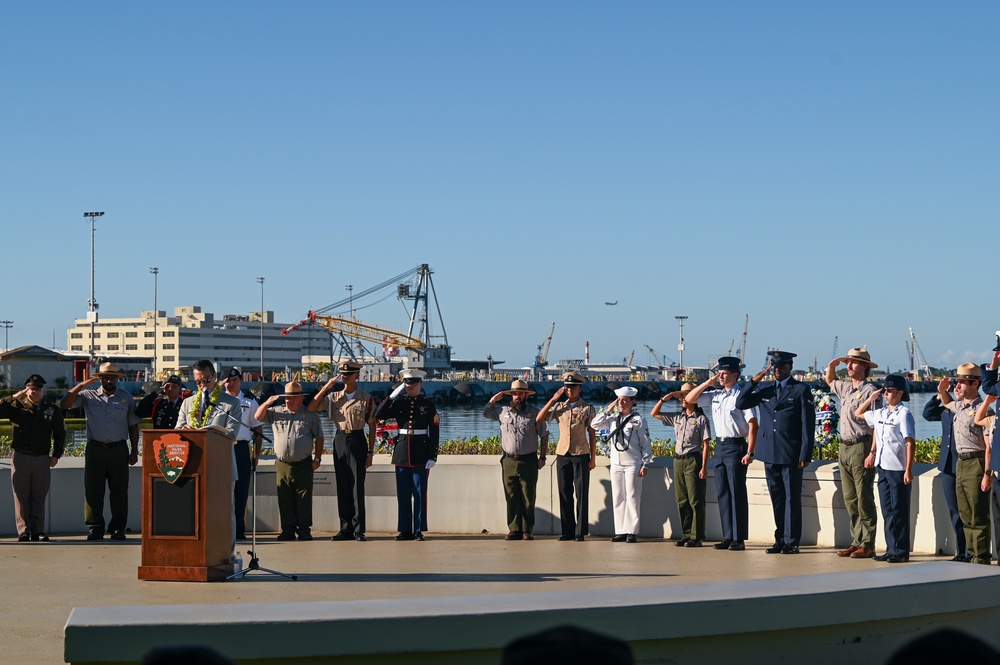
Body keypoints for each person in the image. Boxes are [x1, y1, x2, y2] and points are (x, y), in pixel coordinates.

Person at [735, 350, 815, 554]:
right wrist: (753, 381)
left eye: (780, 367)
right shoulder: (764, 388)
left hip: (791, 453)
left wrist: (805, 454)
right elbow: (740, 403)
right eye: (774, 367)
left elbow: (808, 425)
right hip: (769, 452)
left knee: (791, 498)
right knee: (777, 497)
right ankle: (779, 539)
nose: (777, 370)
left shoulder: (800, 390)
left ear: (789, 367)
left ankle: (792, 541)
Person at [684, 357, 758, 551]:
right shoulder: (715, 395)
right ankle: (728, 536)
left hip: (736, 446)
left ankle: (739, 538)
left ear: (735, 374)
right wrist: (708, 383)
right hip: (721, 446)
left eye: (724, 373)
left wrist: (750, 451)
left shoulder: (743, 395)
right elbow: (690, 399)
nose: (721, 376)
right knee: (723, 493)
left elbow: (753, 425)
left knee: (737, 493)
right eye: (719, 373)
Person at [61, 361, 141, 541]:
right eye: (105, 378)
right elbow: (65, 404)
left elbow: (133, 426)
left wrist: (134, 450)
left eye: (112, 377)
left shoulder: (126, 398)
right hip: (95, 449)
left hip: (118, 449)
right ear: (99, 379)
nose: (109, 381)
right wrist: (81, 385)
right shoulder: (87, 395)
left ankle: (118, 528)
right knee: (93, 489)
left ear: (117, 379)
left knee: (119, 491)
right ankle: (95, 527)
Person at [176, 360, 243, 545]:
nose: (202, 385)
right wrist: (185, 431)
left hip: (221, 466)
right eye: (198, 382)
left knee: (224, 511)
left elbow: (231, 434)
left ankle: (226, 554)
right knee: (194, 512)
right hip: (193, 467)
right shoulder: (188, 403)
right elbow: (177, 430)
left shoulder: (230, 403)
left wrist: (208, 431)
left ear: (215, 377)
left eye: (206, 380)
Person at [309, 360, 376, 542]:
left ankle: (359, 529)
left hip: (357, 439)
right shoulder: (333, 397)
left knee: (357, 487)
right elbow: (311, 407)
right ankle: (345, 528)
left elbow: (372, 425)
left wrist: (370, 452)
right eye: (343, 375)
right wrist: (326, 387)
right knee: (343, 485)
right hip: (339, 439)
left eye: (349, 374)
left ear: (357, 376)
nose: (345, 377)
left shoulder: (366, 398)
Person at [824, 347, 880, 559]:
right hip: (844, 446)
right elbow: (830, 381)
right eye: (848, 362)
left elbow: (876, 426)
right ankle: (856, 541)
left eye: (854, 362)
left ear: (865, 366)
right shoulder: (846, 388)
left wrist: (872, 452)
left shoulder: (870, 392)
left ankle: (868, 544)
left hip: (861, 446)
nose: (849, 366)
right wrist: (831, 367)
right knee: (850, 499)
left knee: (863, 497)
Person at [373, 368, 440, 541]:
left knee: (419, 493)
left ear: (420, 384)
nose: (410, 386)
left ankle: (418, 529)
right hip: (402, 452)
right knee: (403, 494)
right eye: (407, 383)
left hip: (420, 453)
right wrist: (392, 396)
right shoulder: (399, 403)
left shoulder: (428, 404)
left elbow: (434, 431)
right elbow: (378, 415)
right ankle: (404, 530)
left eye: (413, 383)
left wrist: (432, 456)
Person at [935, 364, 992, 565]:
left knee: (978, 514)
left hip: (976, 462)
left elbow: (988, 445)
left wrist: (987, 473)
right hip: (961, 463)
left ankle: (981, 558)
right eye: (957, 381)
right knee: (965, 514)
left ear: (975, 383)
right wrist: (942, 390)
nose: (957, 385)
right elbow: (947, 401)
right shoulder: (959, 406)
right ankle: (971, 554)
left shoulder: (983, 409)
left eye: (961, 382)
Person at [255, 381, 324, 541]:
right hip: (283, 464)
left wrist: (318, 458)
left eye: (293, 398)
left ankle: (304, 530)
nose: (289, 401)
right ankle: (287, 530)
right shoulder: (276, 412)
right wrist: (267, 402)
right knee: (284, 499)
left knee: (304, 500)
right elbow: (257, 416)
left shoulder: (310, 414)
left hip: (304, 463)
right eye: (286, 398)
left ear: (300, 398)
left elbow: (319, 438)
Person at [0, 374, 66, 542]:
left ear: (43, 391)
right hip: (21, 457)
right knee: (20, 496)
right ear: (26, 389)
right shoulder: (16, 407)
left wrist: (56, 455)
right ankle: (24, 531)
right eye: (31, 389)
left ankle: (38, 531)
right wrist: (15, 396)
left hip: (42, 458)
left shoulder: (52, 410)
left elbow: (60, 434)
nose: (34, 392)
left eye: (37, 389)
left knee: (39, 495)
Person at [857, 375, 915, 563]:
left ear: (900, 393)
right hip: (882, 468)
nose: (886, 393)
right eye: (884, 390)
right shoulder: (880, 413)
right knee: (887, 511)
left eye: (889, 390)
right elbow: (858, 413)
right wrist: (871, 398)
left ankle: (901, 551)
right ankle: (891, 549)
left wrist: (908, 470)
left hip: (897, 469)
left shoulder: (904, 414)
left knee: (899, 511)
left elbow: (910, 443)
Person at [482, 379, 549, 541]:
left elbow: (544, 435)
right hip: (509, 460)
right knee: (511, 495)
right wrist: (493, 400)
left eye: (520, 393)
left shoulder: (534, 413)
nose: (516, 397)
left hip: (529, 460)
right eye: (514, 394)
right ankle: (514, 529)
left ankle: (527, 530)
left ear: (526, 395)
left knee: (528, 495)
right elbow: (485, 414)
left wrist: (542, 457)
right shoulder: (502, 411)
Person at [536, 371, 597, 541]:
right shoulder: (559, 407)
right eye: (567, 387)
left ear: (580, 388)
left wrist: (593, 458)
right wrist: (553, 399)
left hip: (581, 453)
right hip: (563, 453)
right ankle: (567, 531)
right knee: (564, 493)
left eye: (573, 387)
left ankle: (580, 531)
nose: (569, 390)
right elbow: (539, 418)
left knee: (581, 494)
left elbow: (592, 435)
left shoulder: (588, 408)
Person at [651, 382, 711, 547]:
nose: (683, 399)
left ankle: (696, 536)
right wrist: (664, 399)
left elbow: (706, 445)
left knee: (695, 500)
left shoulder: (701, 419)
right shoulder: (677, 417)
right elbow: (654, 413)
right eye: (681, 396)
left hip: (693, 460)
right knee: (681, 500)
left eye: (686, 396)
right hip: (678, 460)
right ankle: (686, 534)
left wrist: (704, 467)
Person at [592, 386, 652, 543]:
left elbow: (646, 444)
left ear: (633, 401)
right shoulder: (612, 419)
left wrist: (645, 464)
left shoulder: (638, 420)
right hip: (616, 463)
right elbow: (594, 425)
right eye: (619, 400)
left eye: (625, 400)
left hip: (633, 463)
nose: (622, 403)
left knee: (632, 497)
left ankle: (631, 531)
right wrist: (608, 409)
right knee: (618, 497)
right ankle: (620, 530)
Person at [922, 386, 969, 561]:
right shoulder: (946, 411)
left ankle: (971, 552)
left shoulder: (970, 411)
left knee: (968, 511)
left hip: (965, 464)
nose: (957, 389)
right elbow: (927, 414)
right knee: (954, 511)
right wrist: (939, 395)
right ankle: (961, 550)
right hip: (948, 466)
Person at [221, 368, 264, 540]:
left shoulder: (250, 402)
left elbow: (258, 430)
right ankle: (223, 528)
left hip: (241, 449)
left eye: (235, 380)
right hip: (221, 447)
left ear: (240, 381)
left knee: (241, 491)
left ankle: (239, 529)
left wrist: (257, 456)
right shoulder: (216, 401)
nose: (231, 383)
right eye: (228, 380)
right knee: (222, 491)